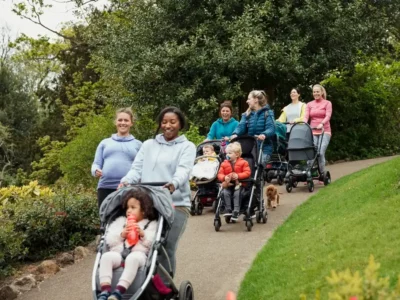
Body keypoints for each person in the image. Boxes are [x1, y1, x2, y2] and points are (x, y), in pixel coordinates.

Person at [119, 106, 196, 277]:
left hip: (175, 203)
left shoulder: (187, 147)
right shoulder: (148, 145)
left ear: (180, 124)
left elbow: (183, 170)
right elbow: (136, 169)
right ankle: (144, 283)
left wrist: (173, 183)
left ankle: (165, 288)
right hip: (149, 203)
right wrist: (125, 181)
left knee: (166, 246)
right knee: (144, 244)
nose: (168, 125)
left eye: (173, 122)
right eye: (164, 122)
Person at [97, 188, 158, 300]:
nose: (128, 211)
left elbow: (152, 243)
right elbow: (110, 240)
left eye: (133, 208)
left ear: (144, 211)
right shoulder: (120, 221)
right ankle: (105, 290)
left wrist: (143, 234)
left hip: (138, 254)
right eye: (127, 208)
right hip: (119, 253)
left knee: (132, 259)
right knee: (106, 257)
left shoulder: (150, 224)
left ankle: (118, 292)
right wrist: (121, 235)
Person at [91, 108, 142, 208]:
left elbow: (142, 168)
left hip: (129, 188)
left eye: (126, 120)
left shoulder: (138, 144)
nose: (123, 123)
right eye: (120, 120)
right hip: (105, 187)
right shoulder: (104, 143)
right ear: (115, 122)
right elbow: (96, 163)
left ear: (131, 123)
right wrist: (95, 170)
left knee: (128, 219)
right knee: (106, 219)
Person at [231, 90, 276, 166]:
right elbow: (241, 126)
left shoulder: (267, 113)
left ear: (256, 100)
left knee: (260, 164)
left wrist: (264, 134)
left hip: (264, 147)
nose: (246, 101)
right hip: (250, 148)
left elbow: (271, 128)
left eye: (249, 99)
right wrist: (235, 134)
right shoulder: (246, 114)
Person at [304, 84, 333, 178]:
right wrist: (303, 123)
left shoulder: (327, 103)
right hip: (313, 131)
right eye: (314, 92)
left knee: (320, 152)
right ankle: (308, 174)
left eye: (317, 91)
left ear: (321, 92)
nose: (315, 93)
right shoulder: (309, 104)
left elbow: (328, 116)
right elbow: (306, 116)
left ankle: (322, 173)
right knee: (311, 152)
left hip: (325, 131)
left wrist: (322, 123)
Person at [217, 142, 251, 221]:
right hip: (229, 185)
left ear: (237, 154)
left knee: (237, 193)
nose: (227, 155)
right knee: (225, 192)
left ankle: (236, 210)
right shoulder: (224, 164)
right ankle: (228, 209)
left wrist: (238, 176)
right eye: (226, 153)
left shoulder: (244, 163)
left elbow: (247, 172)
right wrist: (224, 177)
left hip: (240, 184)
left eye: (230, 153)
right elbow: (220, 174)